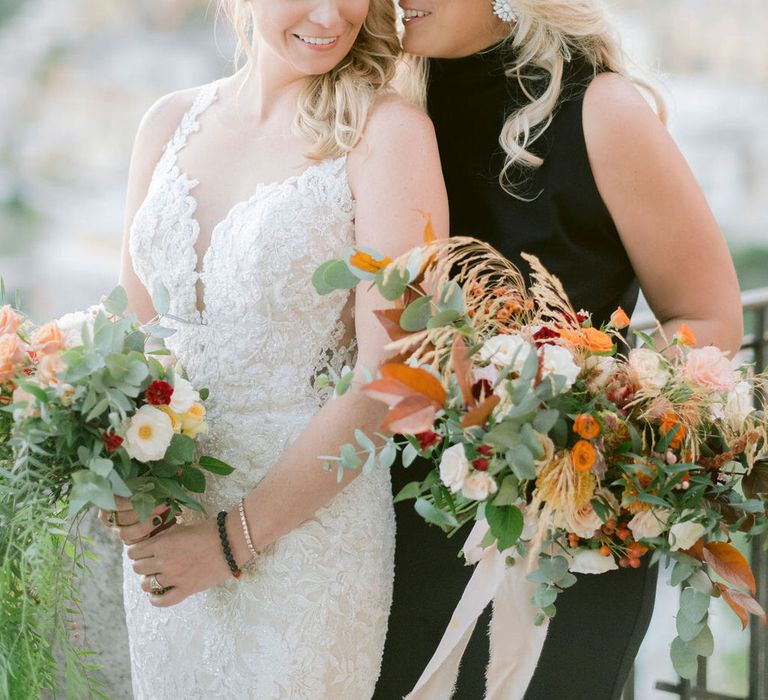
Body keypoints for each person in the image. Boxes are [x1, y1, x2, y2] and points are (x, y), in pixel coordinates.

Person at [375, 1, 743, 698]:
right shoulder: (374, 103)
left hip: (560, 534)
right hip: (397, 527)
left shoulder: (599, 109)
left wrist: (586, 425)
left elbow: (707, 313)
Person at [96, 0, 447, 697]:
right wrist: (128, 488)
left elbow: (397, 373)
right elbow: (131, 347)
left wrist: (233, 542)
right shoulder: (166, 122)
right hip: (168, 527)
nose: (330, 13)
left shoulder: (388, 133)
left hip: (303, 537)